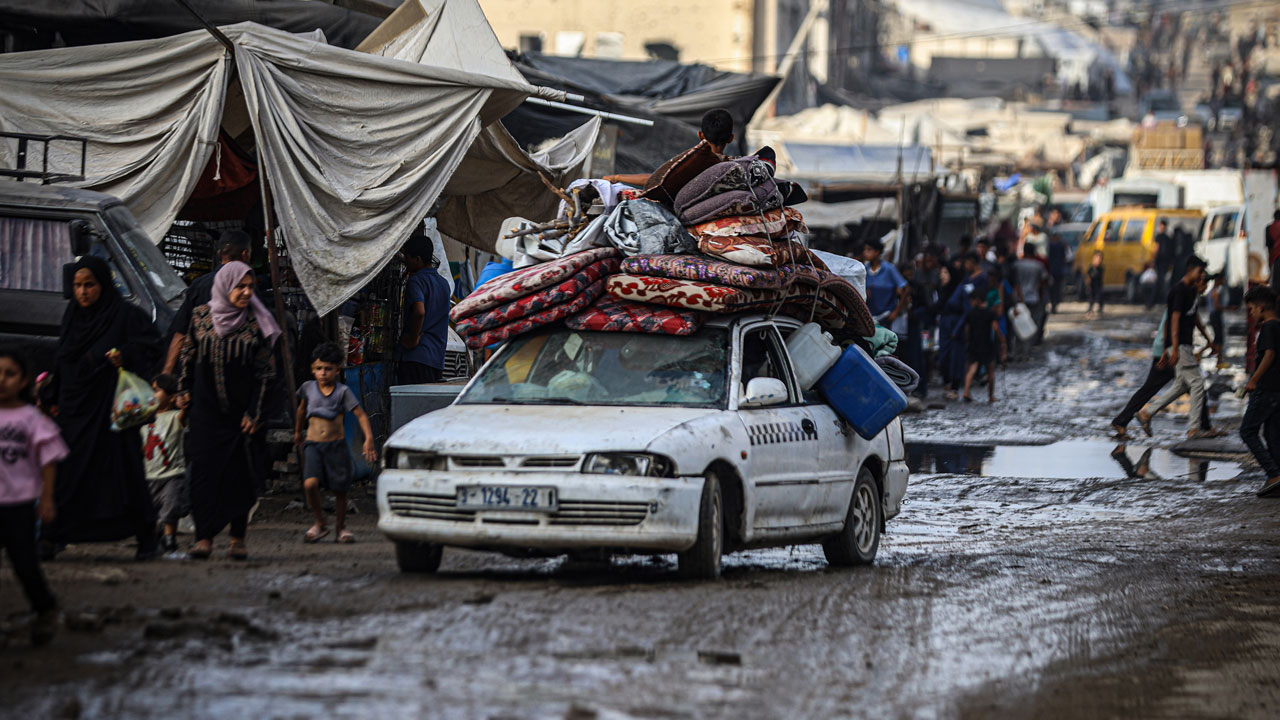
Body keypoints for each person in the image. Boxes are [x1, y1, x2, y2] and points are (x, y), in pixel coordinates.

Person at [38, 256, 161, 561]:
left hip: (111, 413)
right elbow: (63, 360)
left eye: (89, 285)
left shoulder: (124, 315)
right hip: (75, 412)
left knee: (125, 474)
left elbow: (150, 346)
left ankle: (147, 538)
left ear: (103, 285)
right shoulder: (73, 317)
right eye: (78, 286)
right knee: (68, 473)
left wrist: (125, 355)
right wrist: (50, 394)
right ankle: (52, 536)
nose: (83, 292)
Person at [178, 261, 280, 560]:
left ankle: (237, 538)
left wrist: (255, 413)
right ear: (225, 286)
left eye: (251, 287)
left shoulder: (257, 322)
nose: (247, 293)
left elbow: (265, 374)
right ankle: (204, 537)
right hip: (206, 413)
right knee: (203, 475)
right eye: (240, 287)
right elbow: (188, 354)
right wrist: (183, 391)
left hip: (241, 417)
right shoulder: (200, 317)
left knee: (240, 476)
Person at [0, 347, 67, 646]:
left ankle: (45, 607)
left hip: (19, 504)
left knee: (24, 562)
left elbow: (48, 460)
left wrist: (47, 498)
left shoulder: (31, 419)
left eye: (9, 374)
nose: (1, 380)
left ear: (24, 380)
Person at [1110, 277, 1216, 439]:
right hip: (1168, 349)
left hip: (1175, 349)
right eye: (1203, 283)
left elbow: (1195, 320)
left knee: (1192, 386)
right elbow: (1168, 323)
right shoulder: (1182, 296)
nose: (1206, 287)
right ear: (1195, 283)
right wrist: (1166, 351)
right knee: (1187, 385)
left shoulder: (1192, 298)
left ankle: (1203, 426)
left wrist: (1208, 339)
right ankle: (1125, 419)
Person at [295, 343, 377, 544]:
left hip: (336, 446)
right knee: (310, 483)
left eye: (328, 369)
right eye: (319, 368)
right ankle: (320, 521)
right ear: (313, 369)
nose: (323, 373)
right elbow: (301, 411)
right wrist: (298, 431)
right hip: (314, 445)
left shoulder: (343, 392)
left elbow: (360, 415)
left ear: (337, 370)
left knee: (340, 489)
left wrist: (368, 440)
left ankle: (340, 528)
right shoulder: (307, 388)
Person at [1137, 257, 1213, 438]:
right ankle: (1194, 428)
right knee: (1197, 383)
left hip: (1183, 345)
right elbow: (1173, 320)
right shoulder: (1179, 291)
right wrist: (1173, 347)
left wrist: (1208, 339)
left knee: (1180, 386)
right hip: (1180, 346)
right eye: (1200, 272)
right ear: (1190, 270)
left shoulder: (1189, 292)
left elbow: (1193, 319)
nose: (1201, 277)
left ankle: (1147, 413)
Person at [162, 230, 253, 375]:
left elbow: (180, 332)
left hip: (201, 370)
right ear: (245, 254)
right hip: (236, 370)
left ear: (219, 254)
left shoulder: (199, 285)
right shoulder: (249, 289)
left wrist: (166, 372)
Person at [604, 108, 735, 187]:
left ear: (700, 135)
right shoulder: (735, 166)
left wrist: (616, 178)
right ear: (731, 138)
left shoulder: (692, 163)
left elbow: (657, 180)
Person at [398, 229, 451, 385]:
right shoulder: (443, 283)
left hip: (417, 357)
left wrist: (413, 339)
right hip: (436, 359)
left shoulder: (416, 281)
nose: (406, 262)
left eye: (408, 258)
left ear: (418, 259)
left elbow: (419, 311)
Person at [141, 374, 187, 554]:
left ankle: (170, 538)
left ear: (172, 397)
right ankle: (156, 534)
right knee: (149, 512)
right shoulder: (144, 419)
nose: (152, 394)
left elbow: (185, 413)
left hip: (171, 475)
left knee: (171, 507)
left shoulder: (176, 417)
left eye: (156, 390)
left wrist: (185, 403)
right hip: (149, 475)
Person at [1241, 286, 1280, 497]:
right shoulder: (1278, 326)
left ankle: (1273, 474)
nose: (1251, 313)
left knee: (1247, 431)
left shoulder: (1268, 328)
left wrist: (1253, 380)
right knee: (1273, 435)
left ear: (1261, 306)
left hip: (1266, 389)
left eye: (1252, 308)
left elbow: (1269, 355)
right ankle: (1277, 479)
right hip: (1277, 390)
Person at [939, 253, 990, 400]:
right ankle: (950, 383)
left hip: (958, 326)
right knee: (945, 357)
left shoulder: (971, 283)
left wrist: (958, 328)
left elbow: (967, 308)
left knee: (957, 357)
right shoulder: (953, 286)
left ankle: (956, 386)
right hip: (947, 326)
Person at [962, 293, 1006, 403]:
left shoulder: (970, 313)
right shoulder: (990, 313)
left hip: (974, 344)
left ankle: (966, 391)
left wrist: (968, 340)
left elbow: (966, 330)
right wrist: (1002, 340)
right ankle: (990, 396)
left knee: (972, 368)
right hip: (987, 345)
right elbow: (995, 328)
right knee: (990, 371)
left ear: (977, 300)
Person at [861, 237, 909, 335]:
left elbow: (906, 289)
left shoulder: (889, 269)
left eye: (869, 250)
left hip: (886, 316)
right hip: (870, 317)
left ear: (877, 252)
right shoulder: (864, 269)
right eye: (865, 249)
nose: (865, 252)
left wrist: (896, 311)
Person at [1012, 244, 1050, 346]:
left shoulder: (1016, 265)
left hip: (1019, 299)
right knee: (1033, 323)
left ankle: (1019, 345)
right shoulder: (1038, 265)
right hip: (1034, 297)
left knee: (1019, 323)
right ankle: (1029, 346)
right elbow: (1042, 282)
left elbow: (1014, 283)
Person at [1046, 232, 1068, 313]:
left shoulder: (1052, 246)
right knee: (1056, 289)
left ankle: (1054, 304)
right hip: (1058, 271)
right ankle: (1055, 304)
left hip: (1054, 271)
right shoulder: (1061, 245)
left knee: (1053, 289)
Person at [1154, 220, 1174, 303]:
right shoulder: (1167, 237)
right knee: (1160, 282)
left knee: (1161, 282)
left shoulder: (1159, 236)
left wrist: (1153, 259)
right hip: (1166, 262)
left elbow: (1156, 249)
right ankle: (1152, 301)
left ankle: (1168, 299)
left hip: (1161, 262)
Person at [1086, 251, 1105, 318]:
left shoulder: (1101, 268)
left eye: (1099, 258)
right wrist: (1088, 285)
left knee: (1100, 297)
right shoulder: (1091, 267)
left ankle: (1100, 309)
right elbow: (1088, 277)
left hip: (1098, 284)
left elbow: (1101, 277)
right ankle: (1089, 310)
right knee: (1091, 298)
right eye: (1097, 258)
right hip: (1092, 285)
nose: (1098, 260)